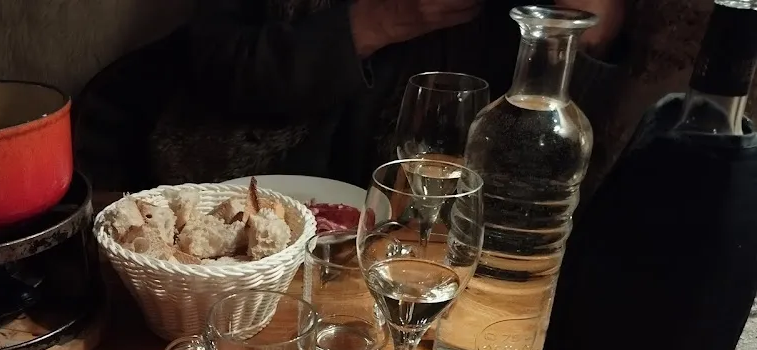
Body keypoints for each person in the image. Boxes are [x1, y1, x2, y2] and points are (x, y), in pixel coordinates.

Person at [75, 0, 627, 191]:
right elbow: (219, 68)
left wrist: (587, 32)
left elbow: (538, 153)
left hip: (414, 226)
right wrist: (371, 24)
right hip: (230, 183)